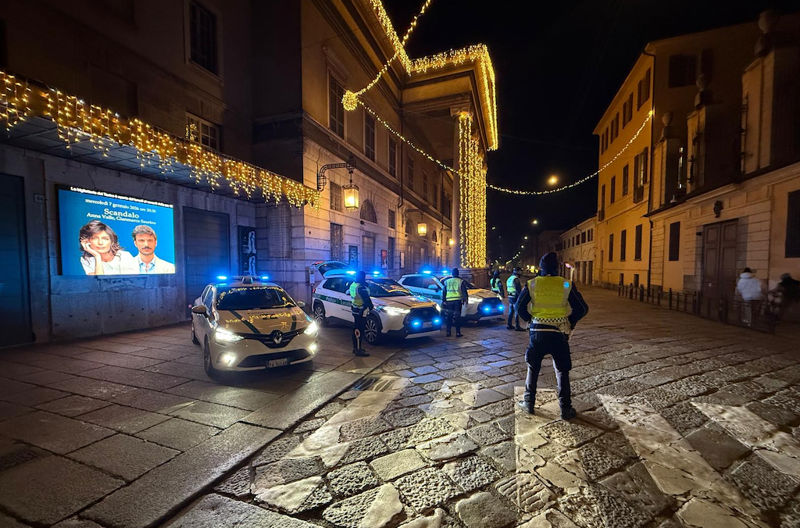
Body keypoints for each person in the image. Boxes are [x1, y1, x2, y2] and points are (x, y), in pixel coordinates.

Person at [515, 252, 588, 420]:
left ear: (540, 267)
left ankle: (529, 403)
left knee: (533, 368)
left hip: (538, 332)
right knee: (562, 371)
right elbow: (582, 309)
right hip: (558, 333)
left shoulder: (532, 284)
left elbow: (519, 307)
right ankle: (565, 409)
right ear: (557, 267)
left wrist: (531, 321)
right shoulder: (566, 284)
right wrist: (570, 321)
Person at [349, 271, 373, 357]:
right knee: (359, 330)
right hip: (361, 311)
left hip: (355, 309)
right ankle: (358, 349)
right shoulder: (361, 287)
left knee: (356, 328)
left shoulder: (353, 285)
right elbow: (367, 300)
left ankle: (356, 348)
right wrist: (371, 307)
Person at [441, 267, 468, 337]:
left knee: (449, 317)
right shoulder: (460, 281)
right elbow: (464, 291)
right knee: (457, 317)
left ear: (452, 274)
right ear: (458, 273)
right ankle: (458, 333)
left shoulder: (447, 281)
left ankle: (448, 332)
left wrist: (443, 300)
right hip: (457, 301)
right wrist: (465, 300)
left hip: (449, 301)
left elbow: (444, 292)